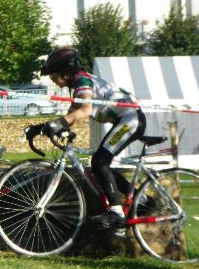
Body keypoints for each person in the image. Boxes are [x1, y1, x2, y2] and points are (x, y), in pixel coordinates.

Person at [38, 47, 146, 233]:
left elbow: (86, 109)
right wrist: (42, 128)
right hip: (126, 118)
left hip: (130, 119)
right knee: (102, 165)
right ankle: (142, 201)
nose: (51, 79)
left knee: (99, 162)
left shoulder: (82, 80)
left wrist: (58, 124)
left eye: (53, 74)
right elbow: (72, 115)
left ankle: (116, 213)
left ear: (64, 70)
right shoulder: (77, 83)